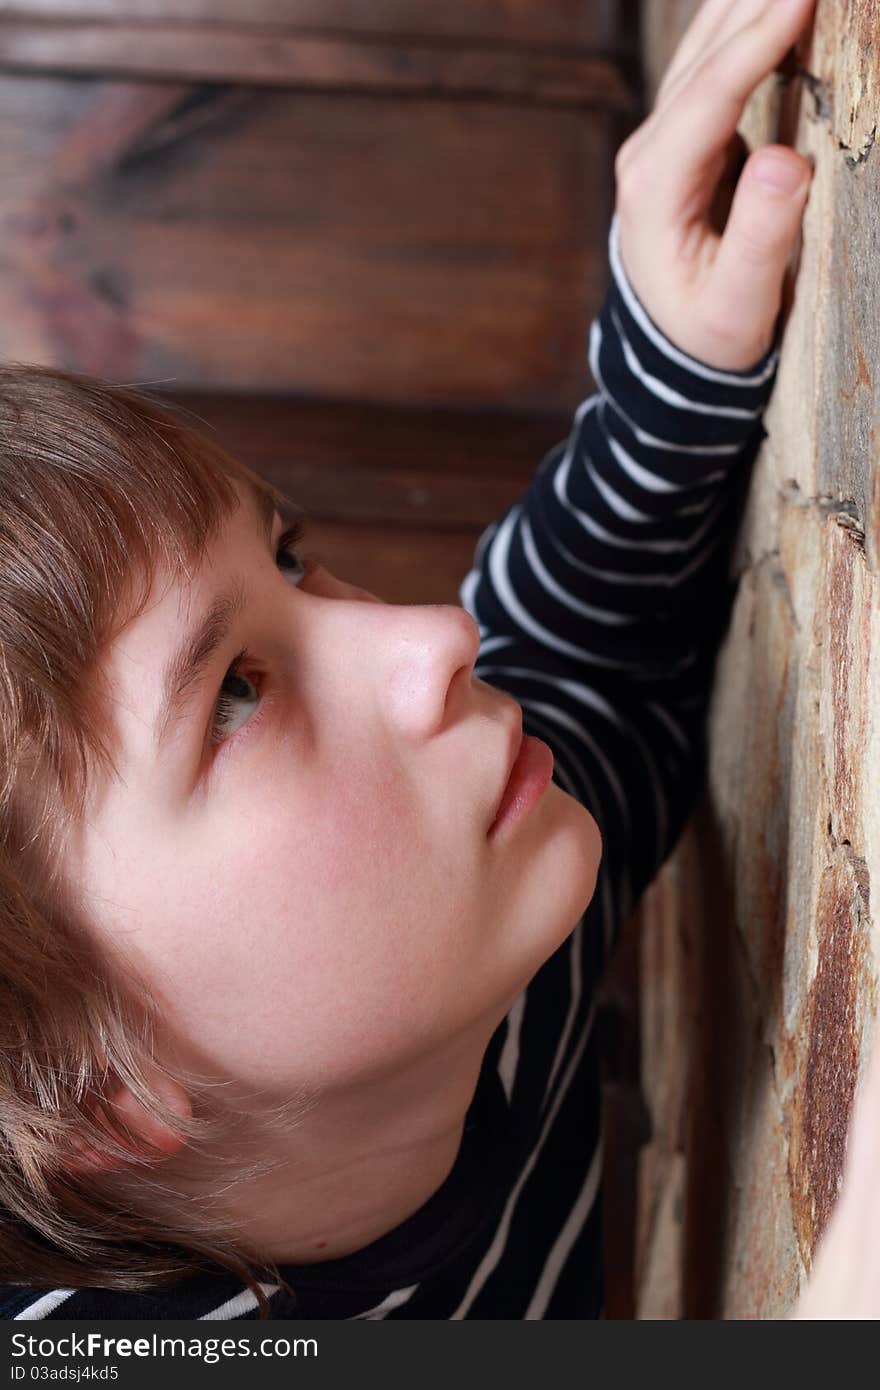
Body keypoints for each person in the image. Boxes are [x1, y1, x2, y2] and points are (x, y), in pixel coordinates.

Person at [0, 0, 871, 1320]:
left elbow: (597, 656)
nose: (435, 637)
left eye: (289, 560)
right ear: (98, 1087)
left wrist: (667, 359)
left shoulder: (452, 935)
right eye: (236, 691)